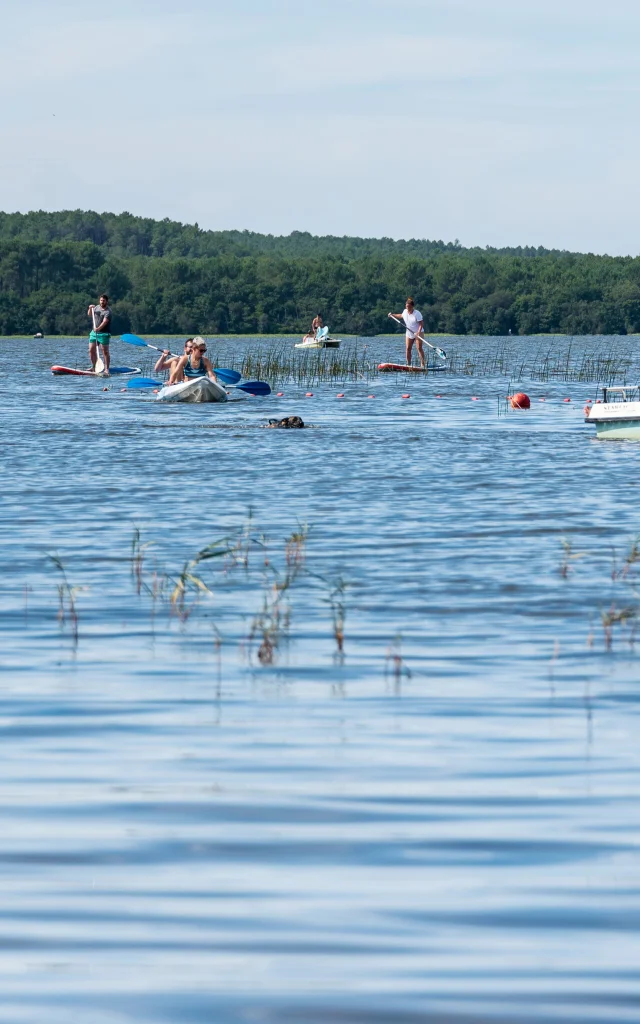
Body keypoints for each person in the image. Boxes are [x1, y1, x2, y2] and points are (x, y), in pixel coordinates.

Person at [391, 297, 425, 368]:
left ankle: (423, 364)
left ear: (412, 306)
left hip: (419, 332)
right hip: (409, 333)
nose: (407, 308)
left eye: (409, 307)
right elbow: (401, 315)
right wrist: (392, 315)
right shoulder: (405, 311)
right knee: (408, 348)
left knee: (419, 348)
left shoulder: (417, 313)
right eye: (406, 306)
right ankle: (408, 364)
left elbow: (421, 324)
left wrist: (418, 332)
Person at [87, 293, 112, 374]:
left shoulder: (108, 311)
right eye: (101, 300)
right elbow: (90, 314)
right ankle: (94, 367)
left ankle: (106, 368)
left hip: (104, 334)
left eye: (103, 301)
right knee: (91, 350)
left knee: (105, 352)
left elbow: (105, 322)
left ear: (106, 302)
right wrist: (90, 308)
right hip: (94, 333)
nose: (102, 302)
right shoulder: (96, 307)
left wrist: (98, 329)